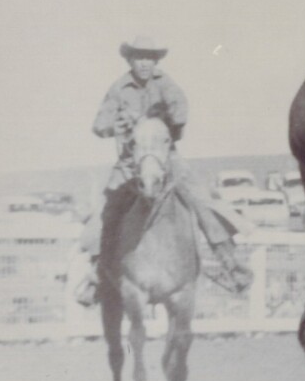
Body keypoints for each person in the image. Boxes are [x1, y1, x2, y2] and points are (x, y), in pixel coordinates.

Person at [75, 37, 253, 305]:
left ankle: (229, 262)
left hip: (166, 159)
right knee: (106, 211)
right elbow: (99, 125)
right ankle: (97, 274)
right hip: (129, 163)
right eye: (139, 57)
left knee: (202, 199)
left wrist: (158, 118)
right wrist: (116, 126)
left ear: (156, 61)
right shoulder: (119, 88)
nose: (144, 63)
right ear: (130, 60)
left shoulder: (166, 84)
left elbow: (181, 112)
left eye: (149, 58)